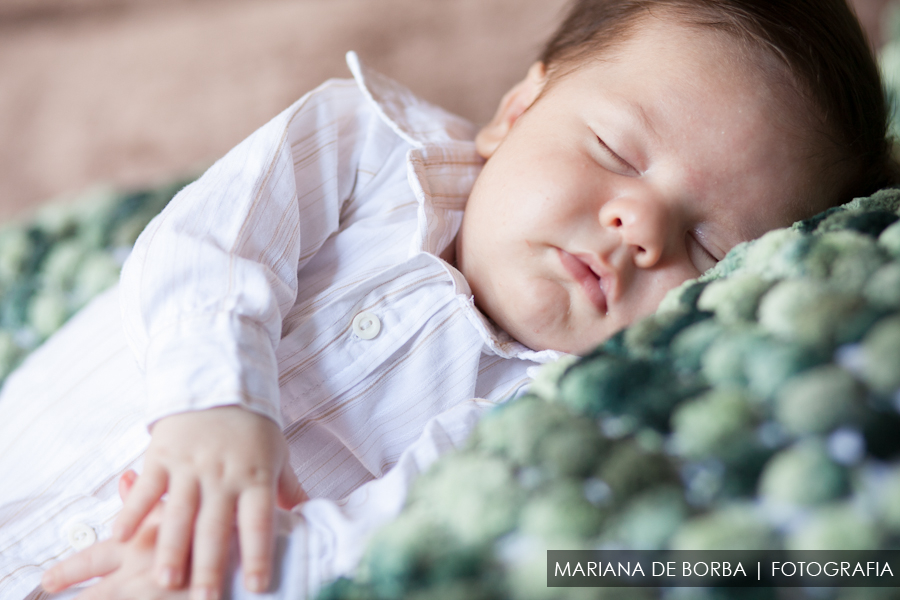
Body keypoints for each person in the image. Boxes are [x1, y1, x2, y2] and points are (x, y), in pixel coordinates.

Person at [0, 0, 894, 598]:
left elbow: (428, 512)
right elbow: (210, 245)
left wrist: (268, 567)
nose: (639, 227)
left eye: (707, 246)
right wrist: (217, 406)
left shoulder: (554, 404)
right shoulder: (360, 148)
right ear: (517, 107)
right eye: (617, 152)